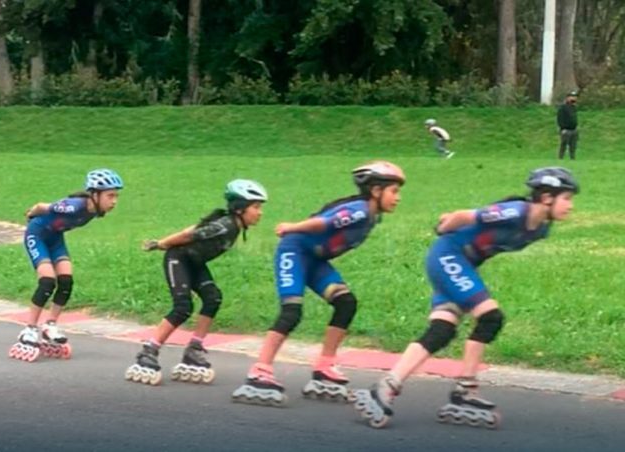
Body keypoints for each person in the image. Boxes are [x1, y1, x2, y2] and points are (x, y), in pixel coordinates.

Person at [351, 167, 579, 430]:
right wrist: (444, 226)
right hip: (449, 256)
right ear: (547, 197)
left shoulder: (541, 229)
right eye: (567, 198)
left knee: (442, 331)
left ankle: (385, 387)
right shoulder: (516, 211)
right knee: (490, 318)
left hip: (462, 265)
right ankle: (465, 390)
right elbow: (464, 216)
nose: (571, 206)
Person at [232, 161, 405, 407]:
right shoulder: (360, 211)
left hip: (315, 260)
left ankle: (325, 365)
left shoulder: (372, 215)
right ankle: (260, 370)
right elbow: (324, 223)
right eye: (394, 191)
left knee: (345, 303)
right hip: (295, 250)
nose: (398, 198)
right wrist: (292, 227)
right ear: (376, 191)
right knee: (292, 311)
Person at [125, 180, 267, 386]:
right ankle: (149, 351)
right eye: (256, 207)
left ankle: (194, 349)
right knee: (183, 307)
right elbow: (188, 234)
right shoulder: (225, 226)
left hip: (194, 262)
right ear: (240, 208)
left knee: (213, 298)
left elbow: (197, 227)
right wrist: (161, 244)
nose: (260, 212)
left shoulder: (232, 225)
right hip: (178, 258)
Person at [9, 169, 123, 362]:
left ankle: (50, 325)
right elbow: (41, 206)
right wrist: (30, 215)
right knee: (47, 281)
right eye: (110, 196)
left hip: (55, 238)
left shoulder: (94, 211)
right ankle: (29, 328)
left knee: (66, 281)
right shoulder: (73, 206)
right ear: (95, 194)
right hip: (37, 235)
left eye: (116, 196)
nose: (114, 201)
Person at [557, 91, 579, 160]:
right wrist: (562, 128)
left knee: (573, 146)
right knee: (563, 145)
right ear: (567, 98)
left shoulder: (574, 107)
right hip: (566, 130)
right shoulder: (563, 107)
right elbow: (560, 118)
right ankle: (560, 158)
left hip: (574, 129)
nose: (573, 98)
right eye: (572, 97)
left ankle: (572, 158)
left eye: (574, 97)